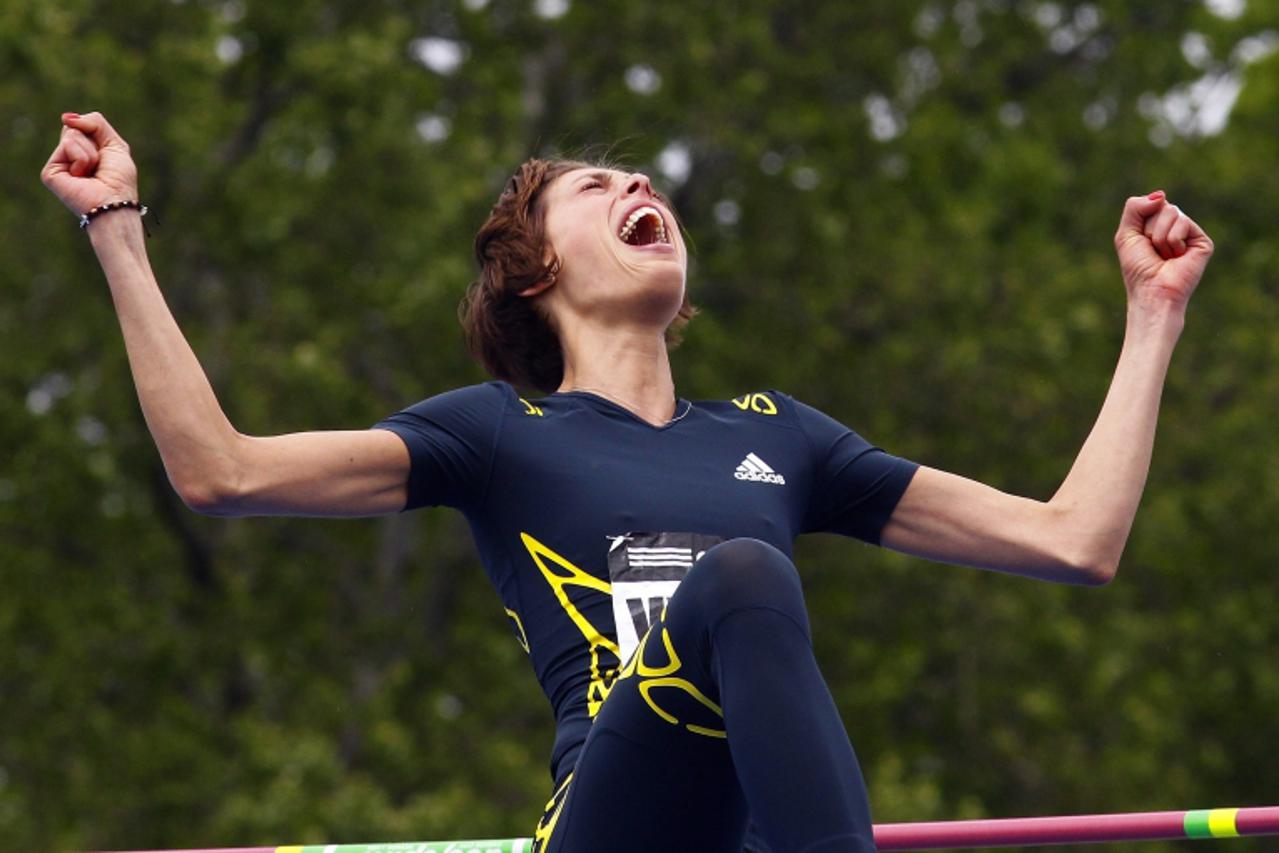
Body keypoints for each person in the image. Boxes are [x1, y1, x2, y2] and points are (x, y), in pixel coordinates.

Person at [42, 111, 1213, 853]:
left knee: (745, 586)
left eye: (636, 179)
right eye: (597, 188)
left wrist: (1152, 317)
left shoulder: (781, 433)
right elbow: (220, 469)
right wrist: (117, 230)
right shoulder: (500, 430)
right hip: (612, 818)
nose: (639, 180)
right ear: (539, 269)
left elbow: (1075, 539)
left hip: (759, 834)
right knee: (743, 575)